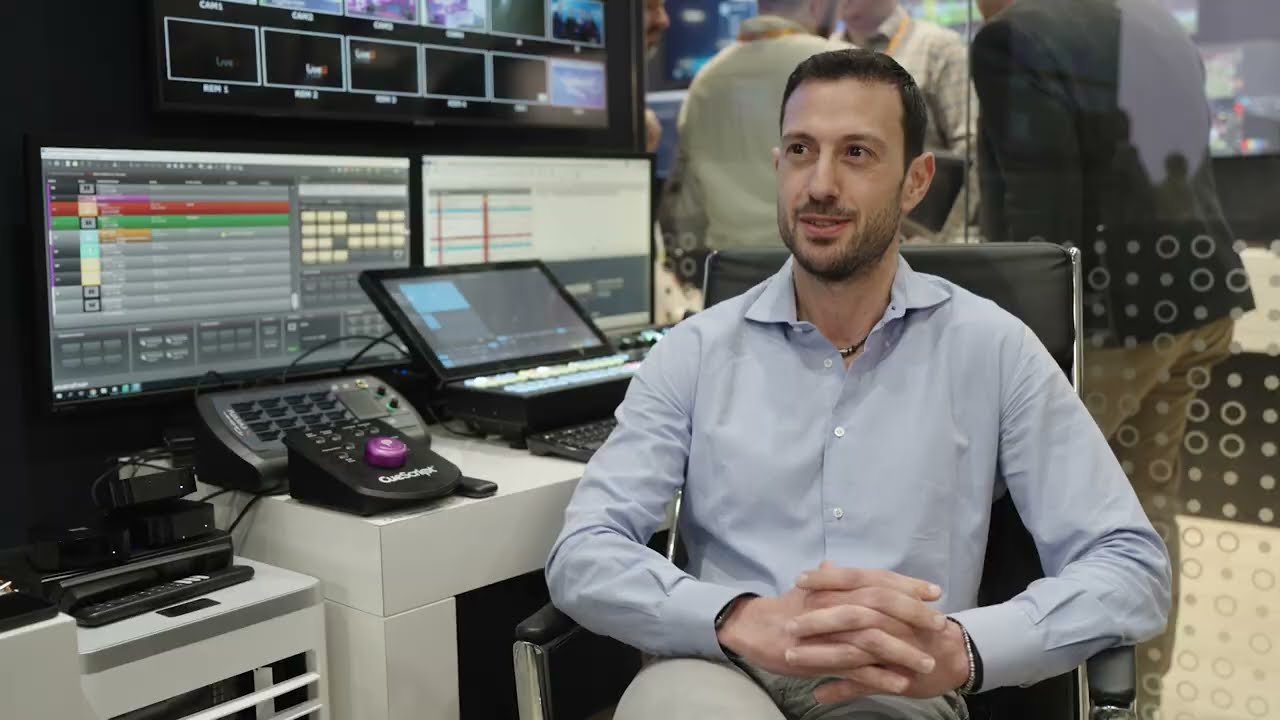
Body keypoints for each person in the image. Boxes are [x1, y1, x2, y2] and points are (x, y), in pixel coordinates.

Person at [548, 49, 1170, 720]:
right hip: (720, 672)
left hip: (891, 687)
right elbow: (584, 551)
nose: (820, 184)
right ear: (778, 165)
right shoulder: (695, 351)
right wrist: (734, 616)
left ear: (915, 181)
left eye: (857, 154)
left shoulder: (992, 349)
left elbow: (1130, 566)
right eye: (800, 150)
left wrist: (966, 647)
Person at [970, 0, 1256, 711]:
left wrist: (1016, 357)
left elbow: (1041, 225)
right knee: (1145, 515)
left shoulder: (1012, 38)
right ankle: (1135, 701)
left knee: (1021, 516)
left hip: (1109, 326)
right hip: (1199, 299)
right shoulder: (1157, 20)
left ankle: (1038, 702)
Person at [659, 0, 846, 252]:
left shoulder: (707, 79)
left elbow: (686, 207)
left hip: (730, 272)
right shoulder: (846, 67)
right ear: (818, 6)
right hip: (823, 266)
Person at [833, 0, 979, 241]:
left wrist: (943, 236)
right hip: (847, 234)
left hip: (922, 241)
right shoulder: (822, 55)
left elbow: (971, 148)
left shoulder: (938, 48)